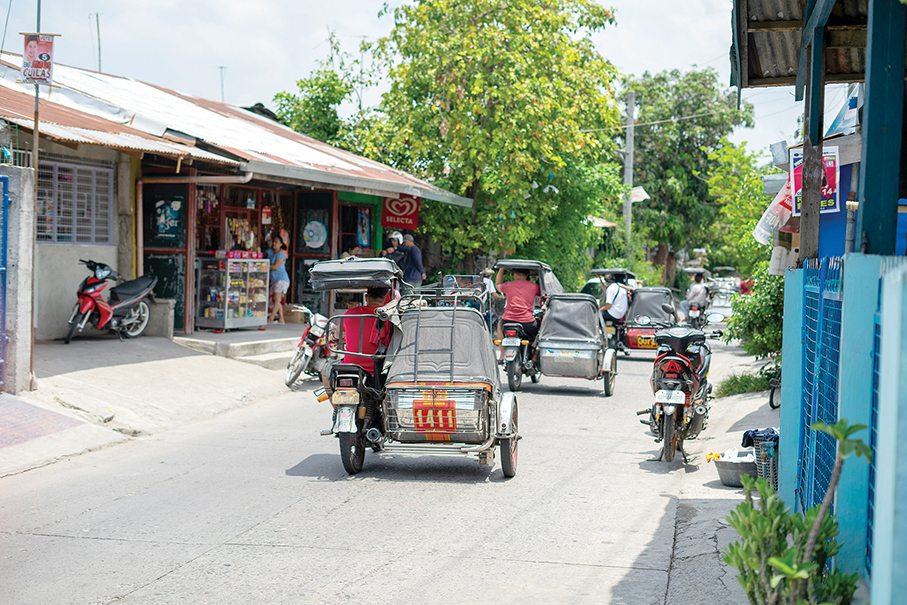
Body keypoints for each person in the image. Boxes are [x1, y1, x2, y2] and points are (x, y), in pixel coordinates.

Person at [321, 287, 390, 392]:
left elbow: (338, 335)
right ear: (386, 298)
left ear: (366, 297)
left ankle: (335, 407)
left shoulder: (350, 313)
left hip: (351, 367)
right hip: (378, 369)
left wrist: (334, 338)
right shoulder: (388, 317)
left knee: (325, 370)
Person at [495, 266, 541, 361]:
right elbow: (545, 293)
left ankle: (502, 354)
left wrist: (502, 268)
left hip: (507, 322)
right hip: (527, 323)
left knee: (499, 325)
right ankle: (535, 356)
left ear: (514, 274)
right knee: (541, 331)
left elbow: (498, 284)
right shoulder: (534, 287)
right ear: (527, 275)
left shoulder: (508, 285)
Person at [268, 238, 290, 323]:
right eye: (273, 241)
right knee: (275, 299)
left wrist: (264, 265)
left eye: (276, 242)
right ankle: (281, 319)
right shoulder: (270, 252)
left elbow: (276, 266)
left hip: (281, 279)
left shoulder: (281, 254)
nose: (274, 243)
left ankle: (271, 318)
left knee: (277, 299)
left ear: (281, 244)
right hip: (275, 279)